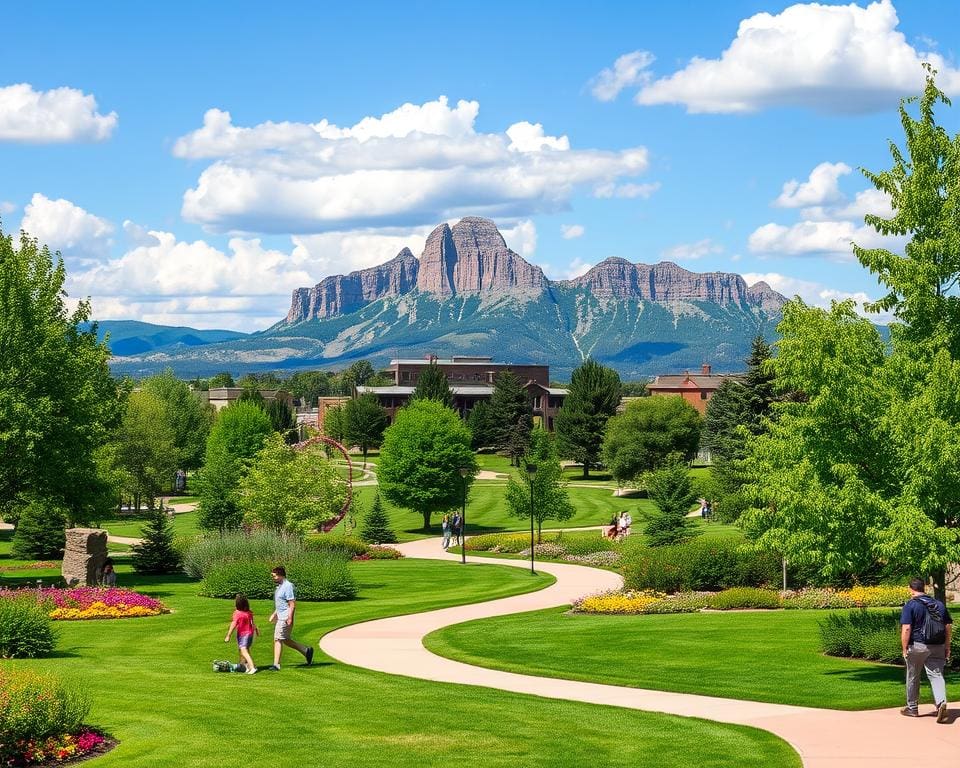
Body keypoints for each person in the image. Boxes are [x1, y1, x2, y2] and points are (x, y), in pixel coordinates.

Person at [900, 577, 952, 722]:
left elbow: (906, 628)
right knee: (936, 675)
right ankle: (941, 703)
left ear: (910, 589)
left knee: (913, 675)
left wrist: (904, 648)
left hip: (917, 645)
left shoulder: (910, 605)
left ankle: (912, 708)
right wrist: (947, 646)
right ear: (924, 588)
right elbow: (948, 626)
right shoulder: (939, 604)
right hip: (938, 645)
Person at [267, 566, 314, 670]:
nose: (273, 578)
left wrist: (290, 618)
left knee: (277, 639)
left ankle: (276, 664)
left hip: (285, 617)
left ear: (280, 575)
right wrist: (274, 614)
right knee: (286, 640)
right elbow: (281, 603)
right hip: (281, 616)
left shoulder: (288, 586)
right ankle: (306, 651)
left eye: (274, 576)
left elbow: (292, 604)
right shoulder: (280, 586)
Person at [225, 593, 260, 674]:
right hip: (250, 634)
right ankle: (247, 666)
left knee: (243, 650)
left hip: (243, 634)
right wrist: (256, 630)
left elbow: (233, 624)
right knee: (246, 649)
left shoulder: (237, 613)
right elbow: (252, 623)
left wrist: (228, 635)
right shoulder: (249, 612)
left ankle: (252, 667)